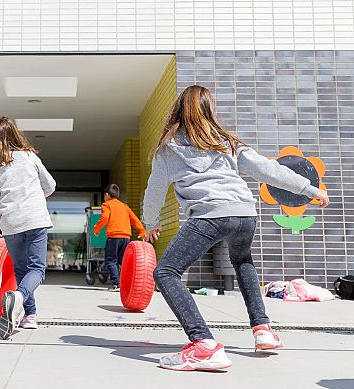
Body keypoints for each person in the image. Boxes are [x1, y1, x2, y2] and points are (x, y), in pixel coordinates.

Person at [142, 85, 329, 371]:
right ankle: (263, 329)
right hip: (244, 213)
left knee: (166, 272)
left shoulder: (168, 148)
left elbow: (154, 191)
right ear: (209, 110)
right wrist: (308, 188)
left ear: (178, 110)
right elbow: (268, 169)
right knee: (242, 261)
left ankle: (203, 343)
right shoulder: (226, 141)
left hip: (210, 214)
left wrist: (151, 223)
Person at [0, 117, 56, 339]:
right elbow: (50, 185)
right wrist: (36, 194)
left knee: (21, 269)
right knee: (37, 269)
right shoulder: (29, 157)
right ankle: (19, 297)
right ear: (14, 135)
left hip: (10, 224)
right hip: (35, 220)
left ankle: (30, 316)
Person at [93, 184, 146, 291]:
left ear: (107, 195)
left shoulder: (106, 205)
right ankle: (128, 283)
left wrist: (96, 228)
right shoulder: (124, 206)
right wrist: (142, 231)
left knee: (111, 260)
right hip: (126, 237)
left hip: (114, 237)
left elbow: (105, 217)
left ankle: (117, 284)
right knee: (123, 261)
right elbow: (134, 219)